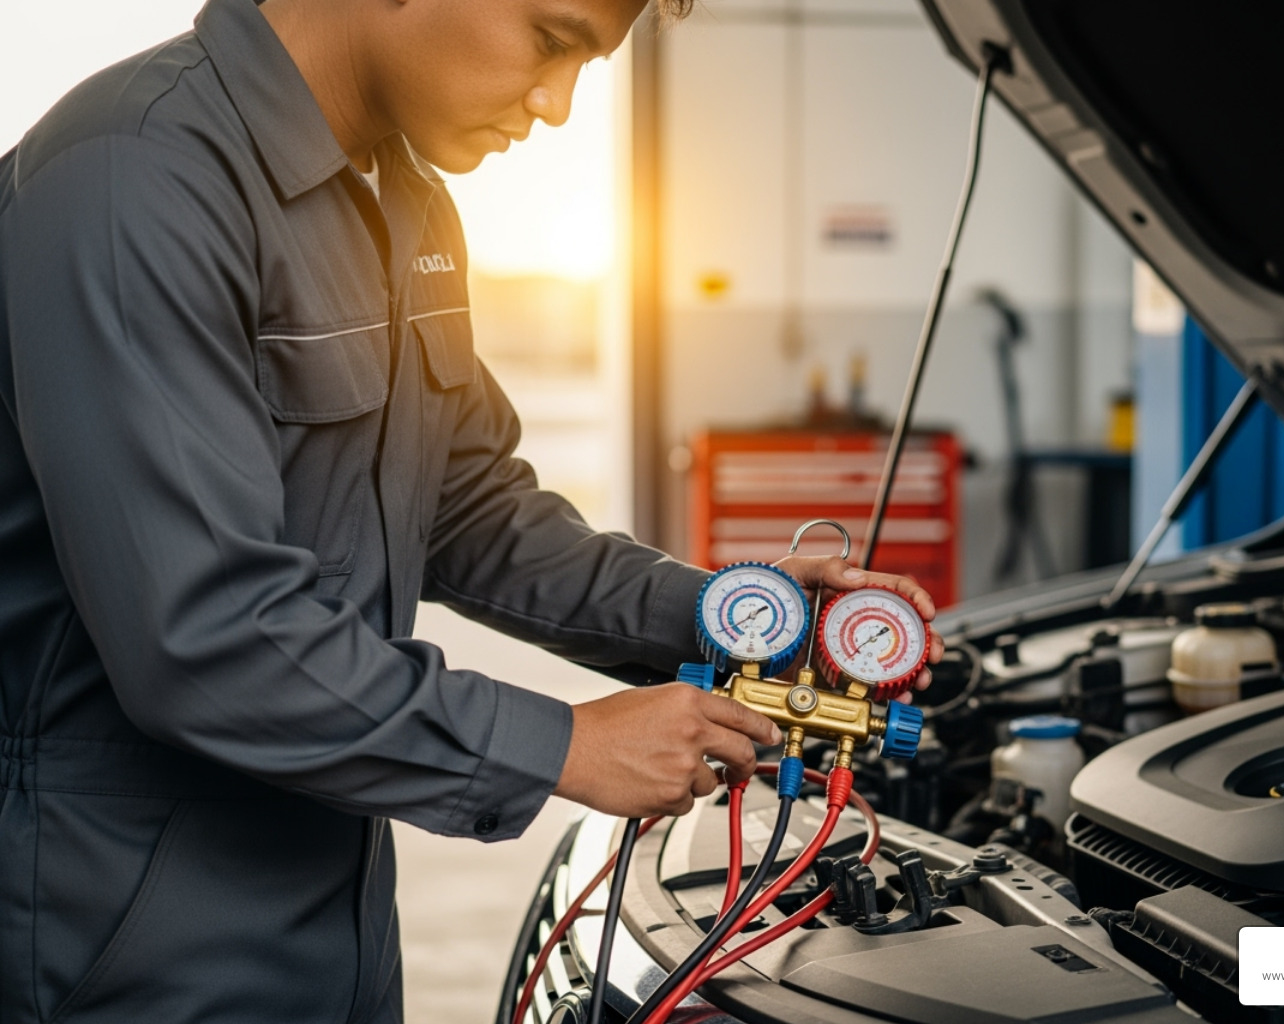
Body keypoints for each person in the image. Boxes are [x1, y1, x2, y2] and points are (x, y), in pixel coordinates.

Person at [0, 0, 941, 1021]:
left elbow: (469, 509)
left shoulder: (405, 203)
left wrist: (726, 616)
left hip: (331, 922)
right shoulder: (132, 179)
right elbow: (207, 637)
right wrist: (563, 746)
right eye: (553, 40)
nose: (560, 104)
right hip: (126, 947)